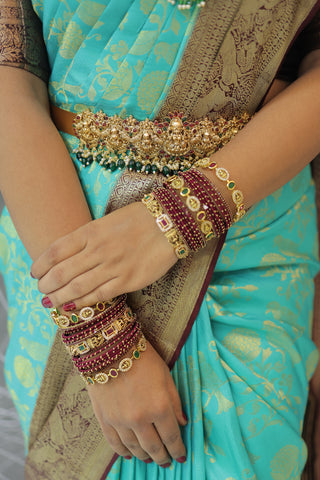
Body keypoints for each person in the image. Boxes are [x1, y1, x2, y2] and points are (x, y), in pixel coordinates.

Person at [0, 0, 320, 478]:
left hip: (247, 236)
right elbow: (9, 80)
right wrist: (98, 333)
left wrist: (173, 220)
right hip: (60, 224)